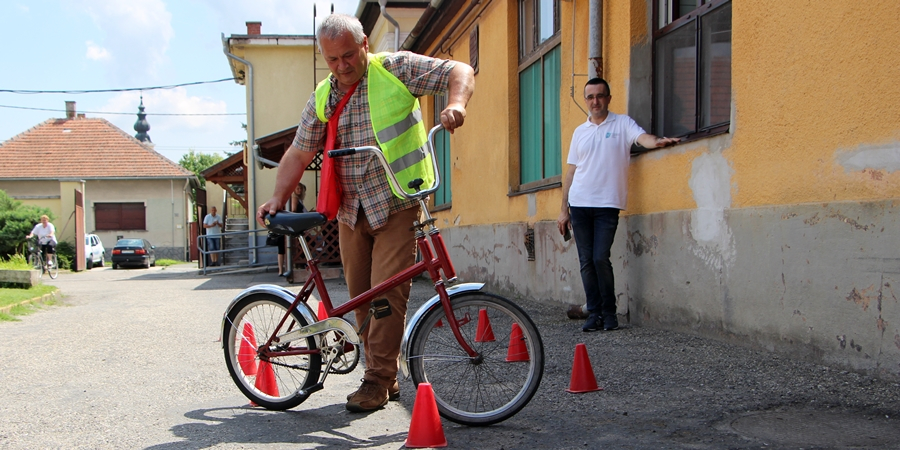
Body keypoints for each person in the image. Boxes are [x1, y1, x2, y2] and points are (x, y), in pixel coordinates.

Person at [257, 13, 474, 413]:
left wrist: (456, 104)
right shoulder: (324, 95)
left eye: (348, 56)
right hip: (349, 211)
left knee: (386, 295)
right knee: (360, 299)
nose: (341, 67)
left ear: (364, 47)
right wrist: (276, 197)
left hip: (396, 201)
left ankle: (376, 381)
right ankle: (384, 373)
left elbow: (459, 69)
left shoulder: (396, 70)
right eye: (332, 60)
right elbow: (300, 151)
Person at [557, 78, 680, 333]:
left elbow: (642, 138)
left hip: (607, 204)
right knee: (586, 261)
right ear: (586, 100)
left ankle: (609, 312)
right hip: (579, 204)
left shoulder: (622, 123)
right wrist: (563, 209)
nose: (595, 101)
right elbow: (570, 173)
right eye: (590, 97)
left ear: (608, 98)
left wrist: (657, 142)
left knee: (601, 258)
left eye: (600, 96)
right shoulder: (580, 132)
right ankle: (594, 313)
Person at [277, 182, 308, 277]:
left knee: (284, 249)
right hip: (291, 226)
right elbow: (293, 210)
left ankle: (282, 270)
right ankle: (282, 270)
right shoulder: (294, 198)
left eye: (301, 189)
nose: (299, 190)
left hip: (288, 225)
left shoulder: (298, 199)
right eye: (297, 188)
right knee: (283, 249)